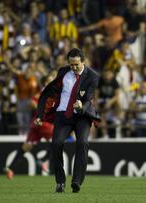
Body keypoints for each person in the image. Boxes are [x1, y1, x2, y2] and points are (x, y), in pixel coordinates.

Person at [34, 48, 100, 193]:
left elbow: (89, 97)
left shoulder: (93, 76)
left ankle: (76, 181)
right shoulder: (63, 72)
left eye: (77, 64)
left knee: (82, 142)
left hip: (82, 115)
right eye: (71, 65)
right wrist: (40, 115)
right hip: (63, 115)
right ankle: (60, 181)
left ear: (84, 61)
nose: (74, 68)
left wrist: (82, 105)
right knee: (56, 144)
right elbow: (48, 93)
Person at [4, 71, 57, 179]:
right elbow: (32, 102)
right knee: (58, 138)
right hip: (42, 123)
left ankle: (10, 168)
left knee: (26, 146)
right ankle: (43, 160)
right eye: (51, 78)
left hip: (36, 124)